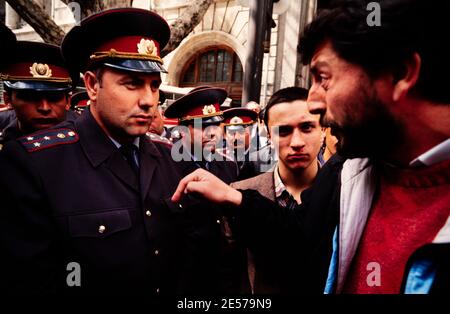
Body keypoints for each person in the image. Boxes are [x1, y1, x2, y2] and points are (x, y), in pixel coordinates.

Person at [173, 0, 450, 294]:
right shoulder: (347, 172)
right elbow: (299, 237)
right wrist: (235, 198)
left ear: (400, 73)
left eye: (323, 78)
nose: (314, 102)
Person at [0, 8, 227, 295]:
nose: (148, 101)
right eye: (132, 84)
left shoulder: (171, 157)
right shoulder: (34, 163)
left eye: (154, 86)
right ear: (92, 85)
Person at [231, 87, 325, 293]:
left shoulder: (346, 193)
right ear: (268, 135)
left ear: (324, 130)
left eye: (307, 127)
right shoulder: (238, 193)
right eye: (283, 131)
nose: (297, 143)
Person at [0, 41, 77, 144]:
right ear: (8, 100)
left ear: (68, 101)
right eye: (30, 97)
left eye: (54, 98)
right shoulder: (5, 142)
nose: (44, 108)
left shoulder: (89, 138)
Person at [164, 85, 239, 184]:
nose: (212, 133)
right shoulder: (166, 166)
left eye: (215, 125)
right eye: (202, 126)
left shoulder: (229, 167)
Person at [222, 107, 258, 180]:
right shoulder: (218, 160)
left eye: (241, 132)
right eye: (232, 133)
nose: (236, 138)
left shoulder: (260, 158)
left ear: (251, 133)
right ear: (225, 135)